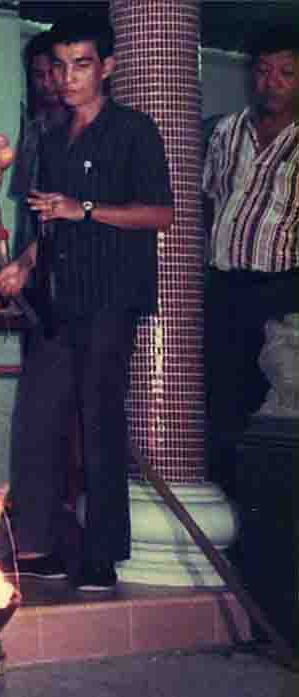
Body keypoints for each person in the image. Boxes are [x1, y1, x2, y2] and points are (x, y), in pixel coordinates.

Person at [0, 13, 174, 591]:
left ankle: (102, 554)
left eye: (82, 65)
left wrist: (86, 209)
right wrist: (24, 264)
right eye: (60, 66)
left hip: (109, 299)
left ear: (107, 68)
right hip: (55, 298)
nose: (68, 78)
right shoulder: (50, 135)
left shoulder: (134, 131)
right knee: (37, 419)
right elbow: (50, 221)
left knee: (99, 423)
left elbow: (160, 213)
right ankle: (39, 547)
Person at [203, 29, 299, 499]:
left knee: (278, 406)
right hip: (223, 286)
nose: (271, 83)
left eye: (286, 73)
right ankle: (227, 509)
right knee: (221, 402)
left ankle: (268, 512)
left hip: (283, 291)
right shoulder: (226, 131)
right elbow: (207, 200)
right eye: (262, 71)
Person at [8, 30, 68, 268]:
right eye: (38, 75)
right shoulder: (31, 128)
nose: (46, 83)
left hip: (72, 248)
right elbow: (25, 202)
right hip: (32, 250)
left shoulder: (83, 128)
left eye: (52, 73)